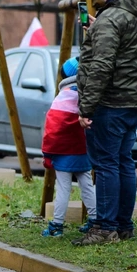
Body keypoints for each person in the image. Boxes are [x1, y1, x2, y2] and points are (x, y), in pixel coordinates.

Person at [73, 0, 137, 246]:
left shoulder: (111, 19)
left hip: (110, 102)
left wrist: (86, 107)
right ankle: (123, 225)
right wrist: (99, 30)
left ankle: (105, 228)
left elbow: (102, 65)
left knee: (106, 163)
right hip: (134, 101)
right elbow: (125, 49)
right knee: (124, 162)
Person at [41, 57, 97, 237]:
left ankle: (57, 225)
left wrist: (47, 154)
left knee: (63, 188)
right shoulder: (86, 95)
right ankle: (95, 220)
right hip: (82, 151)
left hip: (63, 153)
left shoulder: (62, 98)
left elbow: (52, 130)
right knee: (87, 186)